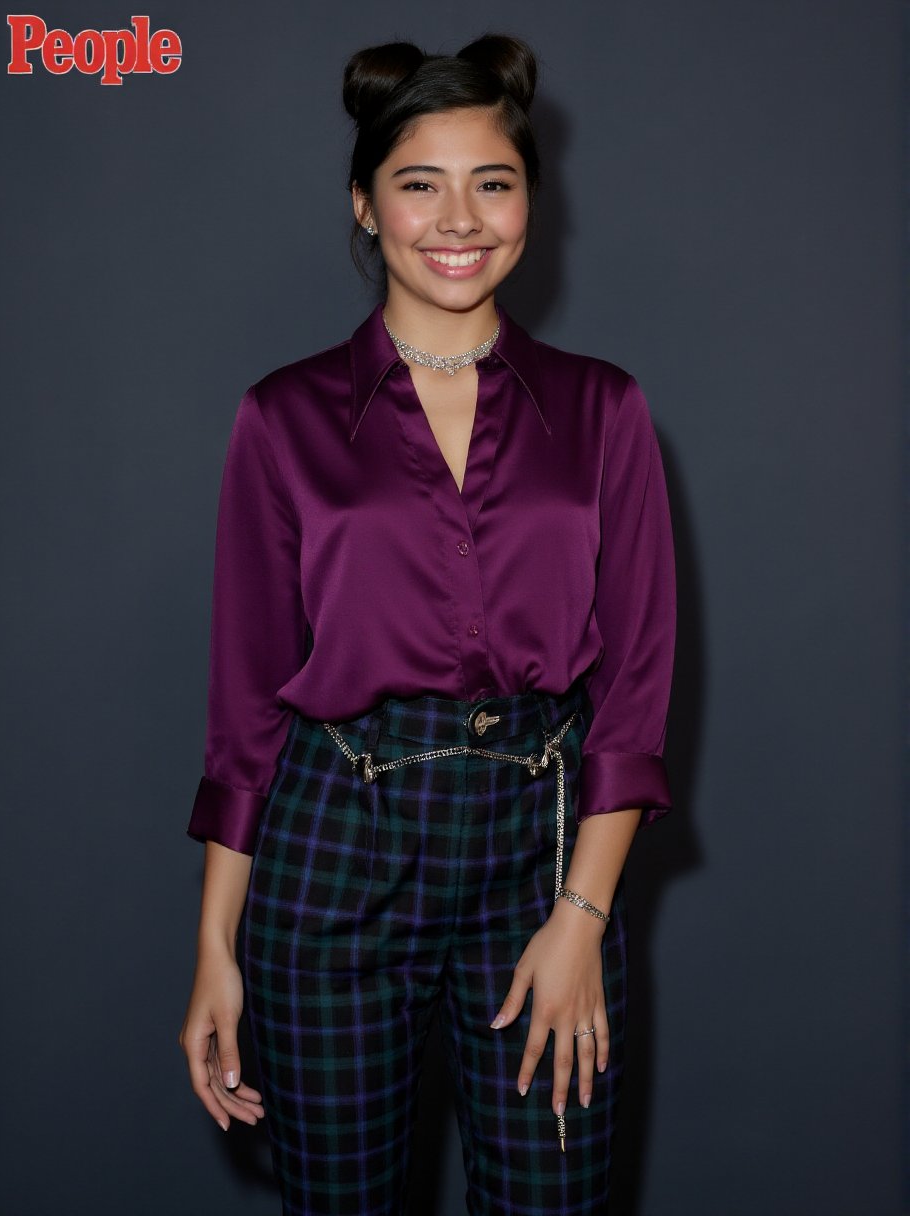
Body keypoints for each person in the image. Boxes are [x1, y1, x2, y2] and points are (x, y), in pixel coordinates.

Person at [179, 32, 676, 1216]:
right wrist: (214, 947)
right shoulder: (283, 417)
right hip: (333, 845)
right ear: (364, 205)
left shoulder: (602, 409)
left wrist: (580, 913)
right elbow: (246, 704)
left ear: (528, 206)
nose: (458, 217)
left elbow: (637, 689)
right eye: (418, 182)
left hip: (540, 855)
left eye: (491, 182)